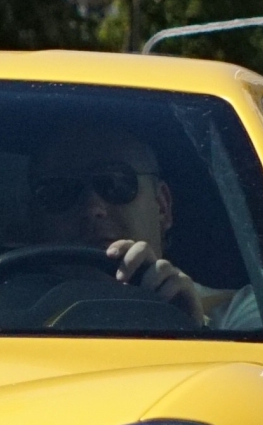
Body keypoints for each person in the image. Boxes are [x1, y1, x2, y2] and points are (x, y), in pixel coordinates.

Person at [22, 126, 241, 325]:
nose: (92, 208)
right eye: (58, 191)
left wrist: (188, 326)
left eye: (115, 183)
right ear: (33, 219)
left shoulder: (241, 317)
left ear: (162, 206)